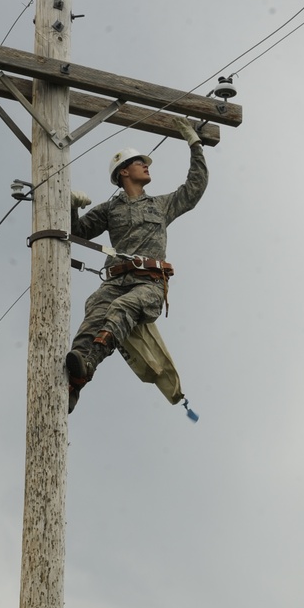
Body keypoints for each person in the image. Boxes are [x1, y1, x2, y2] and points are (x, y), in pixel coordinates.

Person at [65, 116, 209, 410]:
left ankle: (89, 364)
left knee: (121, 309)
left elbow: (194, 189)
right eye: (139, 162)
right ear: (123, 173)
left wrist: (195, 144)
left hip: (150, 285)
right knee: (93, 312)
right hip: (116, 281)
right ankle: (72, 384)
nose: (146, 165)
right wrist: (70, 208)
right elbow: (76, 233)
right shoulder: (110, 209)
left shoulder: (160, 205)